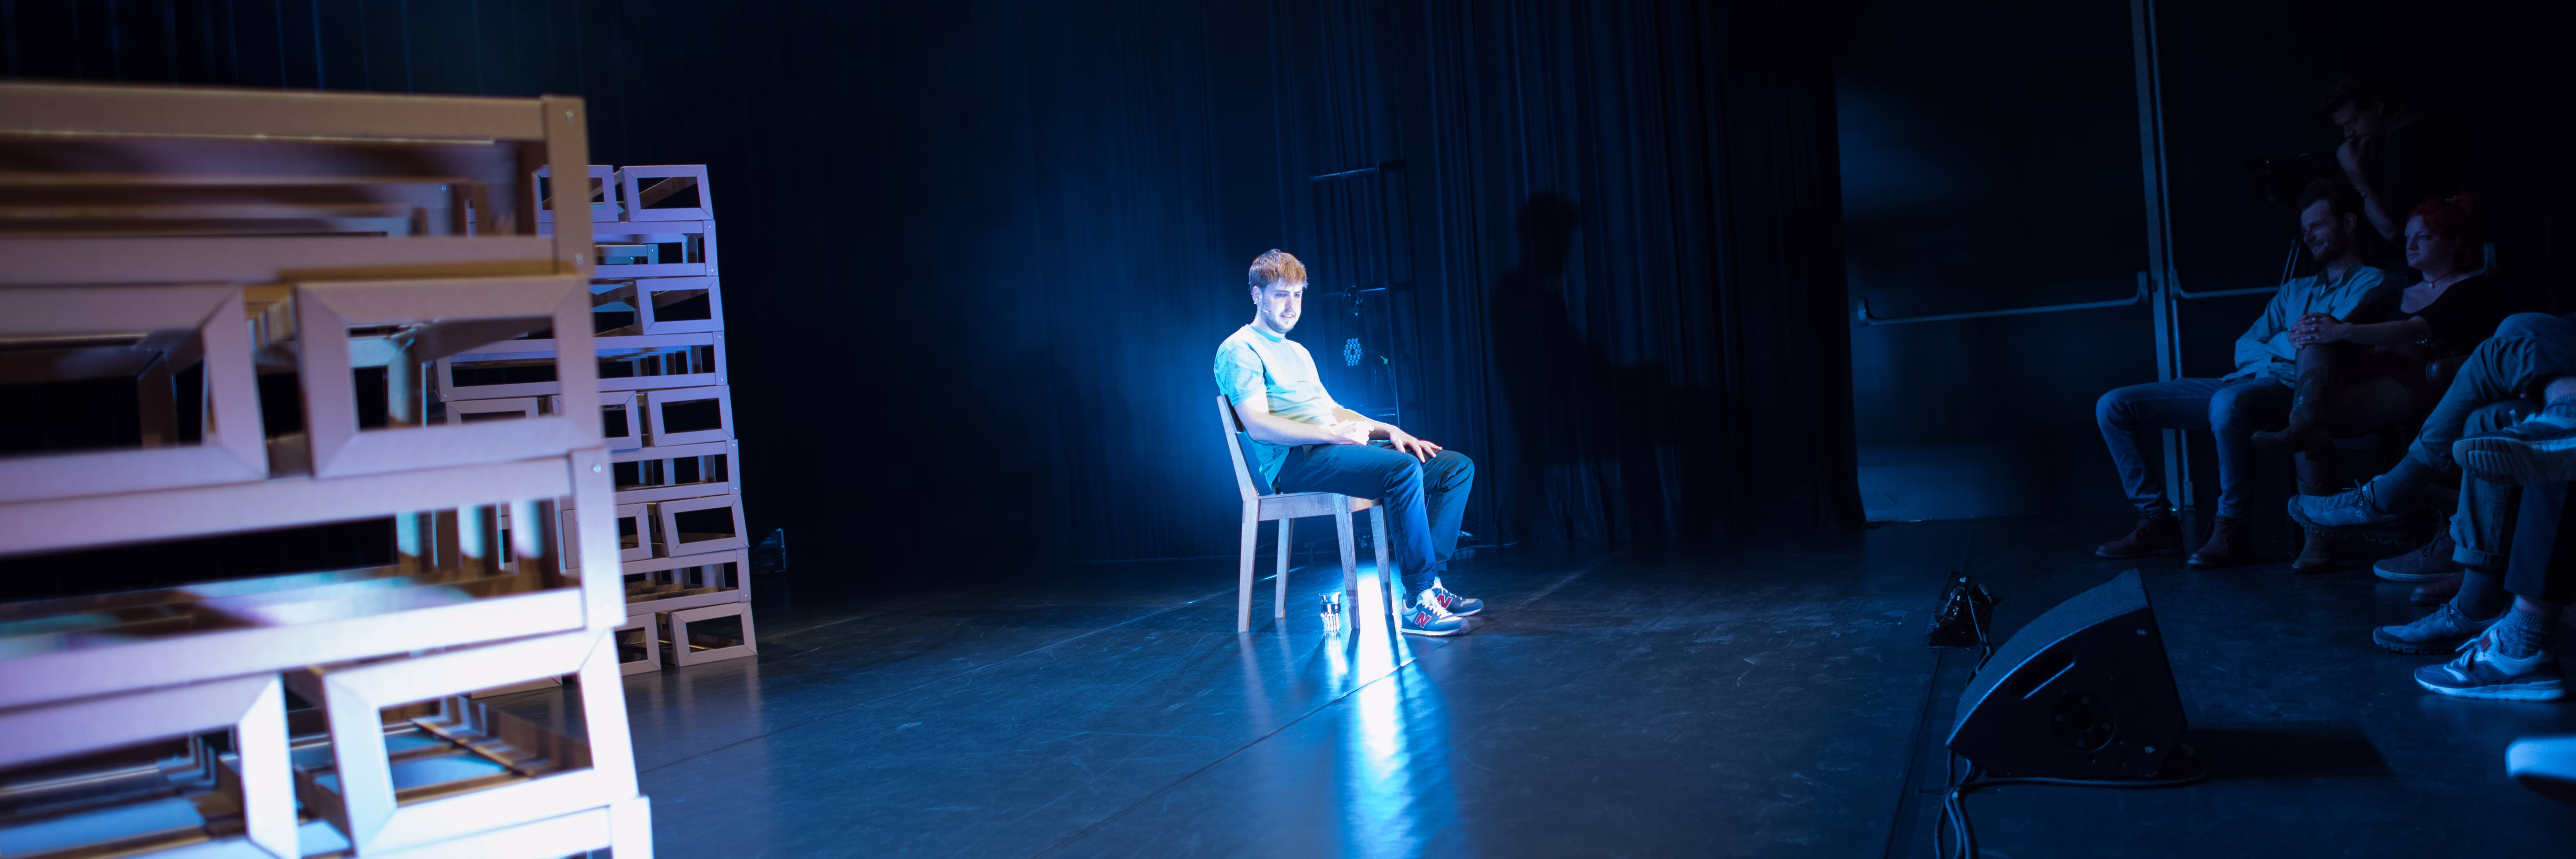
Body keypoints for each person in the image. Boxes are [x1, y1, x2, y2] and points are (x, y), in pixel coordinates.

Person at [2093, 181, 2387, 565]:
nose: (2307, 236)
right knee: (2114, 405)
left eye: (2317, 226)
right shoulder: (2295, 290)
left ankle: (2231, 527)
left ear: (2348, 224)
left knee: (2226, 402)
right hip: (2245, 379)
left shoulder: (2372, 282)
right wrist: (2288, 343)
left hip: (2297, 391)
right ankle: (2157, 520)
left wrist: (2283, 343)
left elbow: (2326, 345)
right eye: (2305, 228)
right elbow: (2244, 345)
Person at [1215, 249, 1483, 636]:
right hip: (1296, 462)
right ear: (1258, 296)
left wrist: (1388, 430)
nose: (1292, 306)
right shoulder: (1239, 349)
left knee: (1454, 468)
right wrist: (1332, 435)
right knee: (1403, 470)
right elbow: (1258, 426)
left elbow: (1334, 411)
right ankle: (1417, 601)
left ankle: (1431, 583)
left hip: (1334, 449)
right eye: (1281, 295)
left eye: (1298, 295)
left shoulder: (1297, 351)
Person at [2256, 194, 2506, 572]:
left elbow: (2414, 330)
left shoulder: (2470, 289)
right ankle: (2319, 522)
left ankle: (2337, 503)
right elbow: (2346, 327)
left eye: (2424, 237)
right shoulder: (2396, 288)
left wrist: (2345, 332)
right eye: (2408, 237)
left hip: (2431, 385)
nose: (2411, 245)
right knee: (2315, 367)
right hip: (2377, 375)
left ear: (2454, 242)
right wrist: (2312, 329)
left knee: (2313, 416)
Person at [2321, 75, 2464, 257]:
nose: (2348, 134)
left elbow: (2390, 229)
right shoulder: (2387, 139)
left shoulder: (2409, 144)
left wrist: (2355, 175)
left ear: (2377, 108)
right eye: (2342, 127)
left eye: (2352, 122)